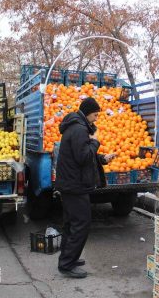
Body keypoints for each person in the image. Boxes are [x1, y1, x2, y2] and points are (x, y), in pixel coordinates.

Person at [55, 97, 114, 278]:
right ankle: (67, 264)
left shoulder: (75, 127)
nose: (96, 118)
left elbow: (79, 156)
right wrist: (95, 142)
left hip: (70, 183)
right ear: (88, 112)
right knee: (81, 223)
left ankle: (68, 257)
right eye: (95, 115)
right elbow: (82, 156)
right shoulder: (80, 130)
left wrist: (102, 158)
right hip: (75, 185)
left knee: (71, 222)